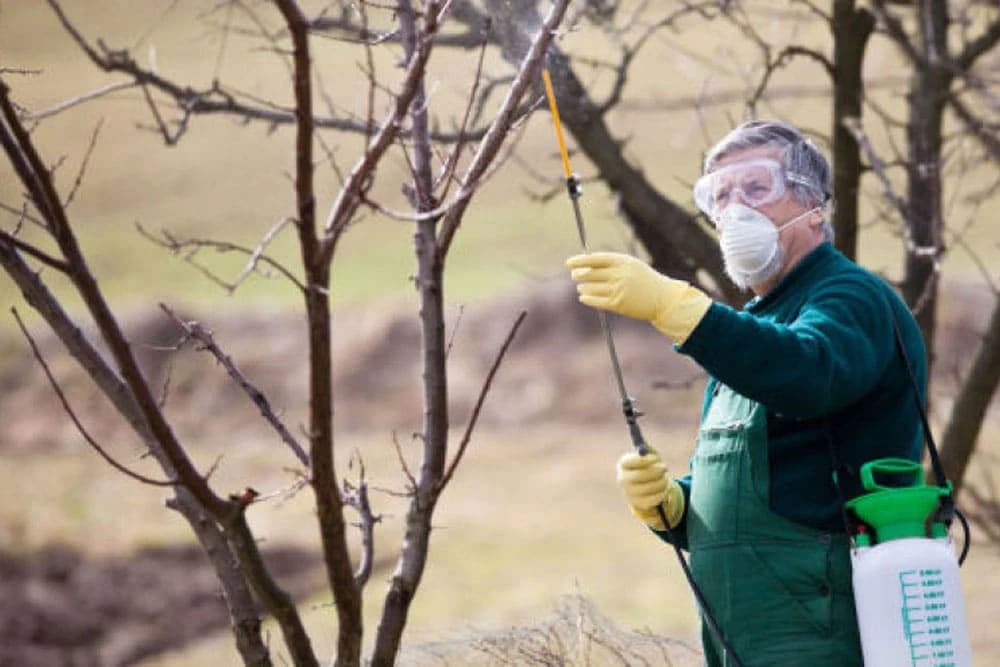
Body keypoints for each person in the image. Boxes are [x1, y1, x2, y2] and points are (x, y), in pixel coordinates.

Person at [566, 120, 927, 666]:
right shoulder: (756, 324)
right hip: (746, 629)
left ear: (814, 206)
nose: (735, 210)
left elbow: (808, 373)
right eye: (719, 195)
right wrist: (677, 508)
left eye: (757, 189)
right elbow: (771, 478)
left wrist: (675, 307)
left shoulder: (849, 295)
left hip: (822, 622)